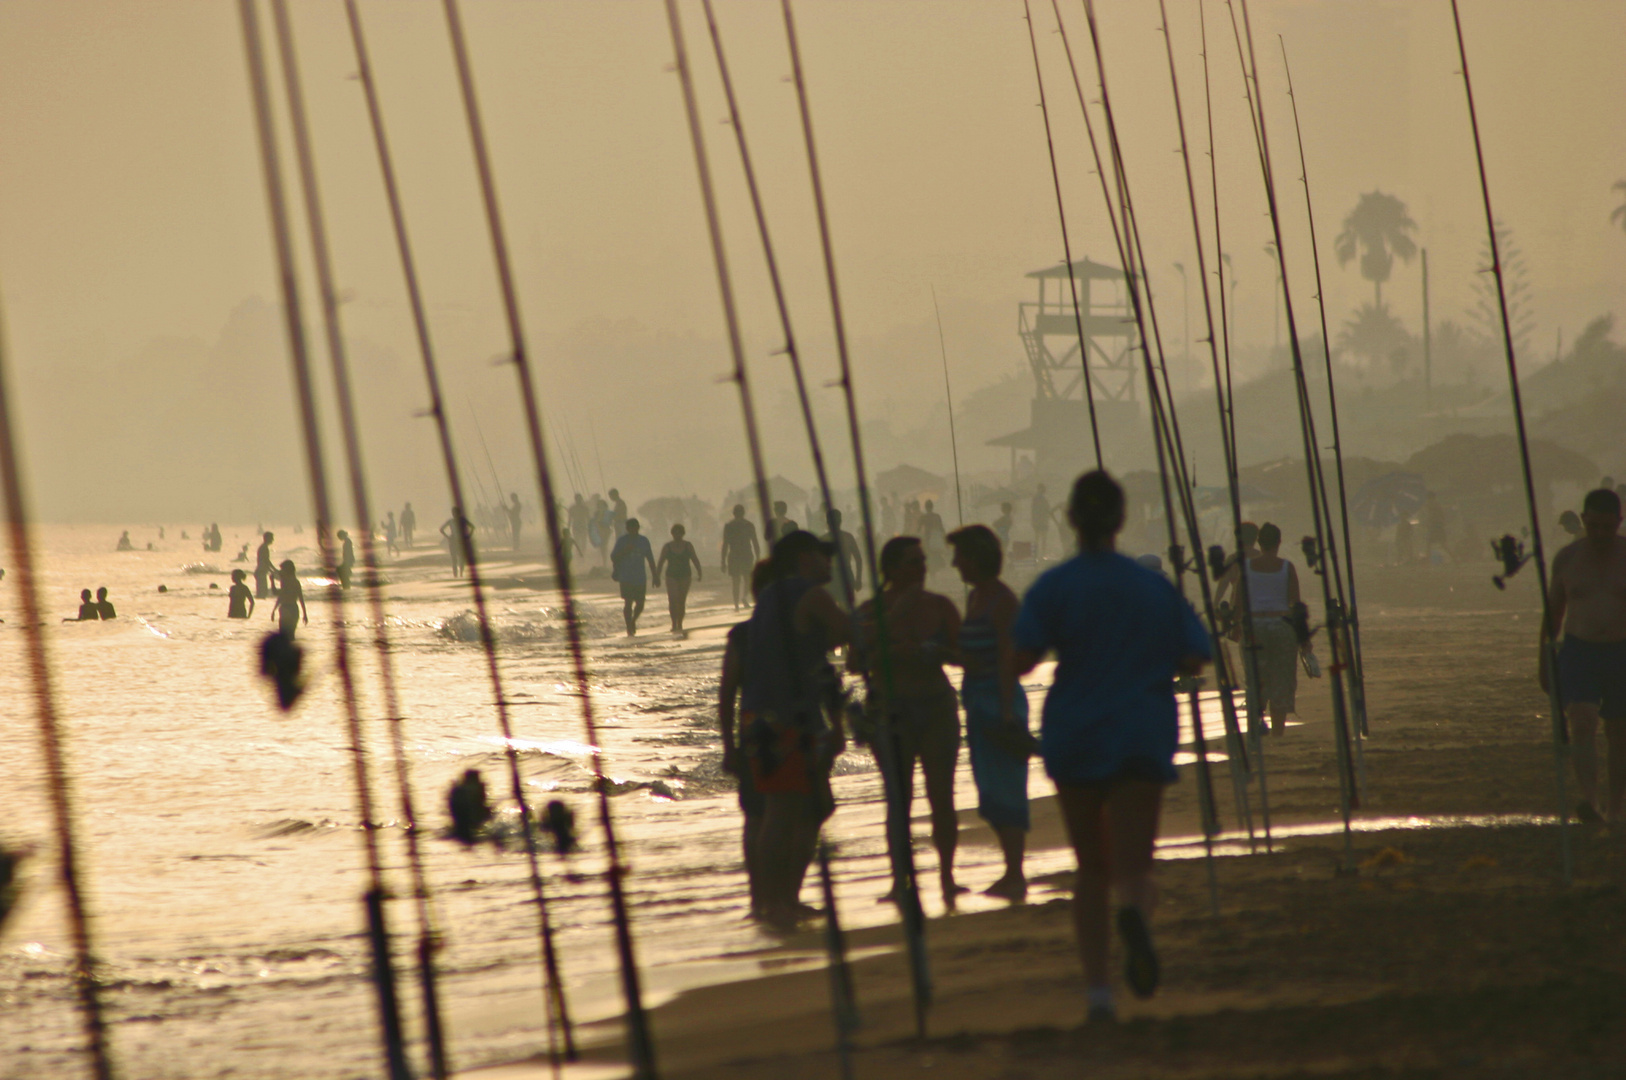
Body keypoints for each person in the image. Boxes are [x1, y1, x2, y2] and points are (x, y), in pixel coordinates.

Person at [1007, 470, 1211, 1023]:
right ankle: (1136, 918)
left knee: (1091, 869)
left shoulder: (1055, 587)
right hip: (1142, 730)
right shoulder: (1153, 587)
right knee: (1134, 864)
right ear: (1121, 520)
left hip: (1075, 734)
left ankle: (1099, 992)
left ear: (1070, 519)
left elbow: (1022, 658)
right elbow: (1195, 656)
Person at [742, 531, 850, 929]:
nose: (830, 565)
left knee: (790, 809)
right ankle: (776, 902)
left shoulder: (771, 597)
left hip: (762, 714)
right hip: (787, 717)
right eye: (824, 557)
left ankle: (780, 899)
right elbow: (846, 631)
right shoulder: (809, 594)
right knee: (783, 810)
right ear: (805, 558)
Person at [849, 535, 965, 906]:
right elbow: (854, 660)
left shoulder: (940, 606)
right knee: (898, 800)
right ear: (892, 569)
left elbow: (963, 654)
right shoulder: (871, 610)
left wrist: (930, 651)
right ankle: (902, 881)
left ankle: (947, 877)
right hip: (890, 709)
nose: (921, 568)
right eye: (913, 562)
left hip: (936, 705)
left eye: (923, 561)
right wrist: (892, 635)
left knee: (942, 797)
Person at [948, 524, 1030, 901]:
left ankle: (1015, 872)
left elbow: (1006, 659)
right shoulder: (975, 598)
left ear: (976, 558)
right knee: (989, 788)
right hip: (976, 699)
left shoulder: (1002, 600)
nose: (954, 563)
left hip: (1000, 700)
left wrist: (1006, 715)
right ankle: (1010, 870)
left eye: (960, 555)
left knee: (1006, 786)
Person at [1545, 488, 1626, 822]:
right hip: (1579, 649)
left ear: (1619, 522)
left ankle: (1617, 808)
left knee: (1618, 731)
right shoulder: (1567, 559)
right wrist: (1544, 661)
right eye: (1595, 527)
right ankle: (1589, 801)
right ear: (1584, 521)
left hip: (1621, 650)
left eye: (1609, 528)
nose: (1602, 535)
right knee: (1581, 722)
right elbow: (1553, 616)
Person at [718, 560, 776, 917]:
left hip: (761, 729)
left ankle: (773, 896)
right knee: (760, 815)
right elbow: (726, 697)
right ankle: (762, 897)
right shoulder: (744, 636)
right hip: (759, 732)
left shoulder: (792, 632)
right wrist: (729, 747)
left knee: (778, 816)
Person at [1239, 523, 1307, 735]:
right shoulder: (1287, 567)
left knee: (1256, 678)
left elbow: (1240, 602)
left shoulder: (1247, 568)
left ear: (1259, 542)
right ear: (1279, 542)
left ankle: (1256, 724)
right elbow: (1295, 604)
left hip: (1254, 627)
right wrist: (1304, 638)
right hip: (1282, 626)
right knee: (1282, 678)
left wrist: (1238, 628)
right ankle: (1278, 732)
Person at [610, 518, 657, 636]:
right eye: (630, 528)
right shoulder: (622, 541)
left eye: (635, 527)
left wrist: (655, 575)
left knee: (640, 603)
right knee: (628, 602)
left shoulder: (644, 541)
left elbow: (650, 558)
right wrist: (625, 551)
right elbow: (614, 557)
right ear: (627, 529)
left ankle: (633, 621)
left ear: (638, 527)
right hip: (626, 576)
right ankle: (628, 625)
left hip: (640, 576)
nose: (633, 530)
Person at [655, 523, 703, 637]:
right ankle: (673, 623)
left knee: (681, 600)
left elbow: (694, 559)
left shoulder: (688, 546)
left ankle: (680, 623)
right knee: (672, 599)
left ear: (682, 533)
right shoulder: (667, 547)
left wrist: (699, 571)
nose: (677, 535)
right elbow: (661, 562)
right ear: (672, 534)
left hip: (685, 575)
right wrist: (657, 576)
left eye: (679, 532)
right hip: (671, 575)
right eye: (675, 532)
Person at [721, 504, 760, 611]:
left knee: (735, 581)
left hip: (734, 555)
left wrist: (723, 561)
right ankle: (744, 597)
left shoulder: (729, 526)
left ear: (734, 513)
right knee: (747, 579)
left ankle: (736, 604)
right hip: (747, 554)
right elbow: (755, 542)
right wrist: (758, 556)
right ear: (743, 513)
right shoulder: (749, 525)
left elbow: (725, 544)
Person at [822, 508, 862, 607]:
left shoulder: (823, 539)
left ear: (827, 522)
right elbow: (858, 559)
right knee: (847, 609)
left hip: (830, 577)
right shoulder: (848, 537)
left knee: (830, 609)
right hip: (846, 574)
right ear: (840, 521)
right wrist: (858, 579)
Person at [270, 559, 308, 638]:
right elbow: (300, 598)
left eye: (282, 569)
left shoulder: (286, 581)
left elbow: (277, 593)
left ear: (287, 570)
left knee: (283, 636)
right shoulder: (295, 581)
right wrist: (305, 614)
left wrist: (272, 581)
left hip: (286, 608)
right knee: (291, 636)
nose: (281, 571)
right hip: (294, 608)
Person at [441, 507, 475, 578]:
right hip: (457, 541)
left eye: (455, 513)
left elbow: (472, 527)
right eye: (454, 513)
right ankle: (457, 574)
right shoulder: (461, 520)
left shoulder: (456, 521)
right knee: (456, 558)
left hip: (458, 541)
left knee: (458, 558)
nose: (454, 514)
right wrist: (468, 536)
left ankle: (459, 574)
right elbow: (472, 527)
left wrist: (448, 537)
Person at [917, 499, 947, 573]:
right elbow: (941, 528)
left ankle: (931, 571)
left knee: (927, 554)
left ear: (925, 507)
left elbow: (918, 529)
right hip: (936, 538)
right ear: (932, 507)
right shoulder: (937, 516)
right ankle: (938, 566)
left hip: (927, 538)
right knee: (936, 553)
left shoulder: (923, 517)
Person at [1422, 492, 1451, 563]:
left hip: (1434, 526)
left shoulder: (1430, 504)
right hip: (1439, 526)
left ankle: (1427, 561)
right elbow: (1442, 515)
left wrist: (1427, 523)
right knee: (1443, 544)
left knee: (1428, 544)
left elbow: (1430, 516)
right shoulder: (1438, 504)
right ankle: (1454, 557)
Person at [1031, 484, 1052, 560]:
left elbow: (1033, 510)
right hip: (1041, 520)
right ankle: (1041, 554)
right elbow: (1035, 510)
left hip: (1040, 520)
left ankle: (1040, 554)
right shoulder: (1040, 498)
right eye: (1042, 488)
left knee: (1040, 537)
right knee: (1041, 538)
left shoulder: (1039, 498)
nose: (1044, 490)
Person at [254, 532, 275, 599]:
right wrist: (273, 570)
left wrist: (273, 570)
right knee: (262, 594)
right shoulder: (264, 548)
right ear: (267, 538)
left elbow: (266, 561)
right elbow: (266, 561)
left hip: (261, 572)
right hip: (261, 572)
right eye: (271, 538)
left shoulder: (263, 547)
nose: (272, 540)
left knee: (262, 593)